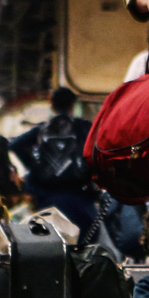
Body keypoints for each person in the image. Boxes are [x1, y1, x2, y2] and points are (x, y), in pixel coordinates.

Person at [11, 87, 96, 235]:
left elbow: (14, 145)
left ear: (51, 104)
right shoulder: (84, 127)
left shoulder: (41, 129)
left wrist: (33, 165)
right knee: (83, 238)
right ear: (73, 105)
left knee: (51, 238)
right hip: (80, 196)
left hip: (47, 197)